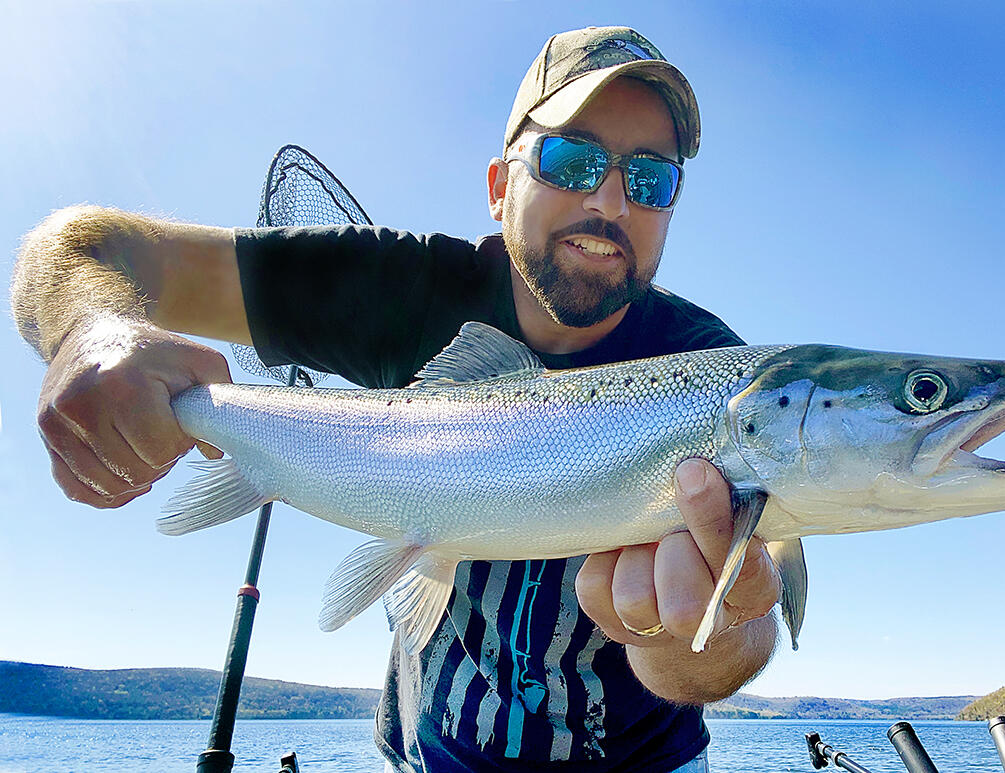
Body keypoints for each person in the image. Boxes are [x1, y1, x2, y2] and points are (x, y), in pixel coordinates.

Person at [11, 26, 782, 772]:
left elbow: (740, 636)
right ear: (498, 186)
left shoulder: (719, 372)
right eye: (571, 159)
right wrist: (91, 329)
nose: (612, 203)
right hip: (424, 754)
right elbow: (78, 247)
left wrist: (690, 640)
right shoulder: (401, 289)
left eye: (650, 178)